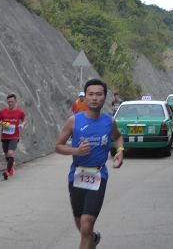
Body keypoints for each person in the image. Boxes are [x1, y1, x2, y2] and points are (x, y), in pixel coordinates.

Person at [55, 78, 124, 249]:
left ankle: (89, 237)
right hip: (77, 176)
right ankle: (93, 239)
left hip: (98, 176)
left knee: (86, 224)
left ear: (104, 97)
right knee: (82, 228)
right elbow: (58, 146)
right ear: (84, 97)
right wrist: (76, 151)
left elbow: (118, 137)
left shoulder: (110, 122)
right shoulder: (74, 121)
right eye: (90, 94)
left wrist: (120, 152)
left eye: (98, 94)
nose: (94, 98)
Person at [0, 93, 27, 180]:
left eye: (12, 102)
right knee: (6, 155)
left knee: (10, 153)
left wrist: (23, 124)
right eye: (9, 102)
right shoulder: (3, 112)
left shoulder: (19, 112)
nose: (10, 103)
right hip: (4, 137)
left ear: (15, 101)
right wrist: (2, 123)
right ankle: (11, 167)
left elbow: (24, 119)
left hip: (14, 137)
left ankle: (7, 172)